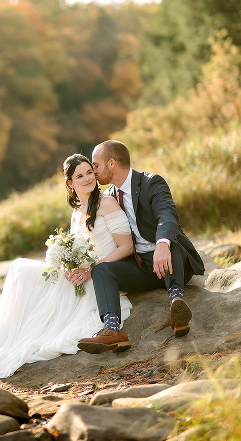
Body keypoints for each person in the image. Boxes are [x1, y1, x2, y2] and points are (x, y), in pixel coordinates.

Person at [0, 154, 135, 378]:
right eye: (80, 175)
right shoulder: (76, 212)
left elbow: (126, 247)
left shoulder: (107, 203)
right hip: (81, 274)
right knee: (19, 268)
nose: (88, 178)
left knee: (22, 269)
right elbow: (77, 251)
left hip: (100, 276)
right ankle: (12, 331)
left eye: (90, 172)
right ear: (70, 183)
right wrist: (68, 266)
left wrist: (90, 271)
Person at [76, 140, 205, 354]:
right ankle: (113, 330)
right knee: (101, 269)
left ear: (111, 164)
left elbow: (167, 216)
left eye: (96, 166)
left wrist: (162, 244)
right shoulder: (108, 197)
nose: (93, 172)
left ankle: (177, 304)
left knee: (169, 243)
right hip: (141, 268)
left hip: (172, 260)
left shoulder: (150, 183)